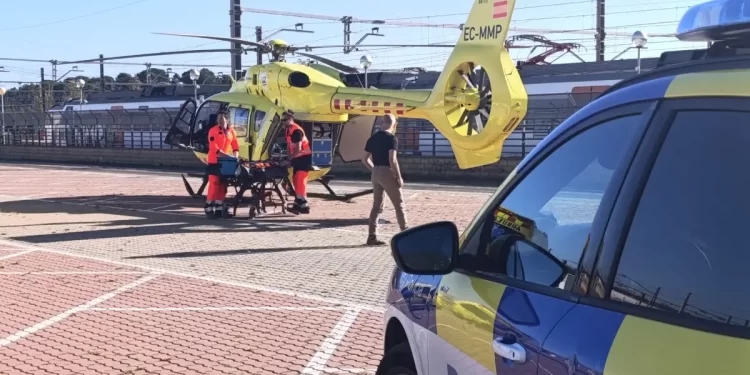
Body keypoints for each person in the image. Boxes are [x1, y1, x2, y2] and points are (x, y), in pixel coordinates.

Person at [362, 114, 408, 245]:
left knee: (376, 206)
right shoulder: (392, 139)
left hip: (375, 171)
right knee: (399, 204)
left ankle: (372, 236)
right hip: (386, 171)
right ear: (394, 125)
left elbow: (364, 159)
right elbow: (392, 159)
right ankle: (405, 232)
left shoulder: (373, 138)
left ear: (382, 123)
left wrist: (374, 170)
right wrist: (399, 177)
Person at [205, 108, 239, 219]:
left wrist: (236, 156)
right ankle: (209, 206)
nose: (220, 120)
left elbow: (235, 146)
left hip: (226, 163)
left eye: (222, 118)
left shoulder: (231, 131)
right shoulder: (213, 131)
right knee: (214, 184)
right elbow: (214, 147)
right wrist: (228, 156)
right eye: (218, 118)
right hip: (214, 161)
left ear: (227, 119)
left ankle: (219, 208)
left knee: (223, 186)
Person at [283, 110, 312, 214]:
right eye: (282, 120)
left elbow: (298, 148)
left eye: (285, 120)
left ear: (291, 119)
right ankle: (298, 204)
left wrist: (290, 158)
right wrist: (288, 156)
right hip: (297, 158)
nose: (283, 122)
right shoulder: (288, 130)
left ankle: (304, 204)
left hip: (304, 158)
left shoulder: (297, 131)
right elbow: (288, 144)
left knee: (300, 180)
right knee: (295, 180)